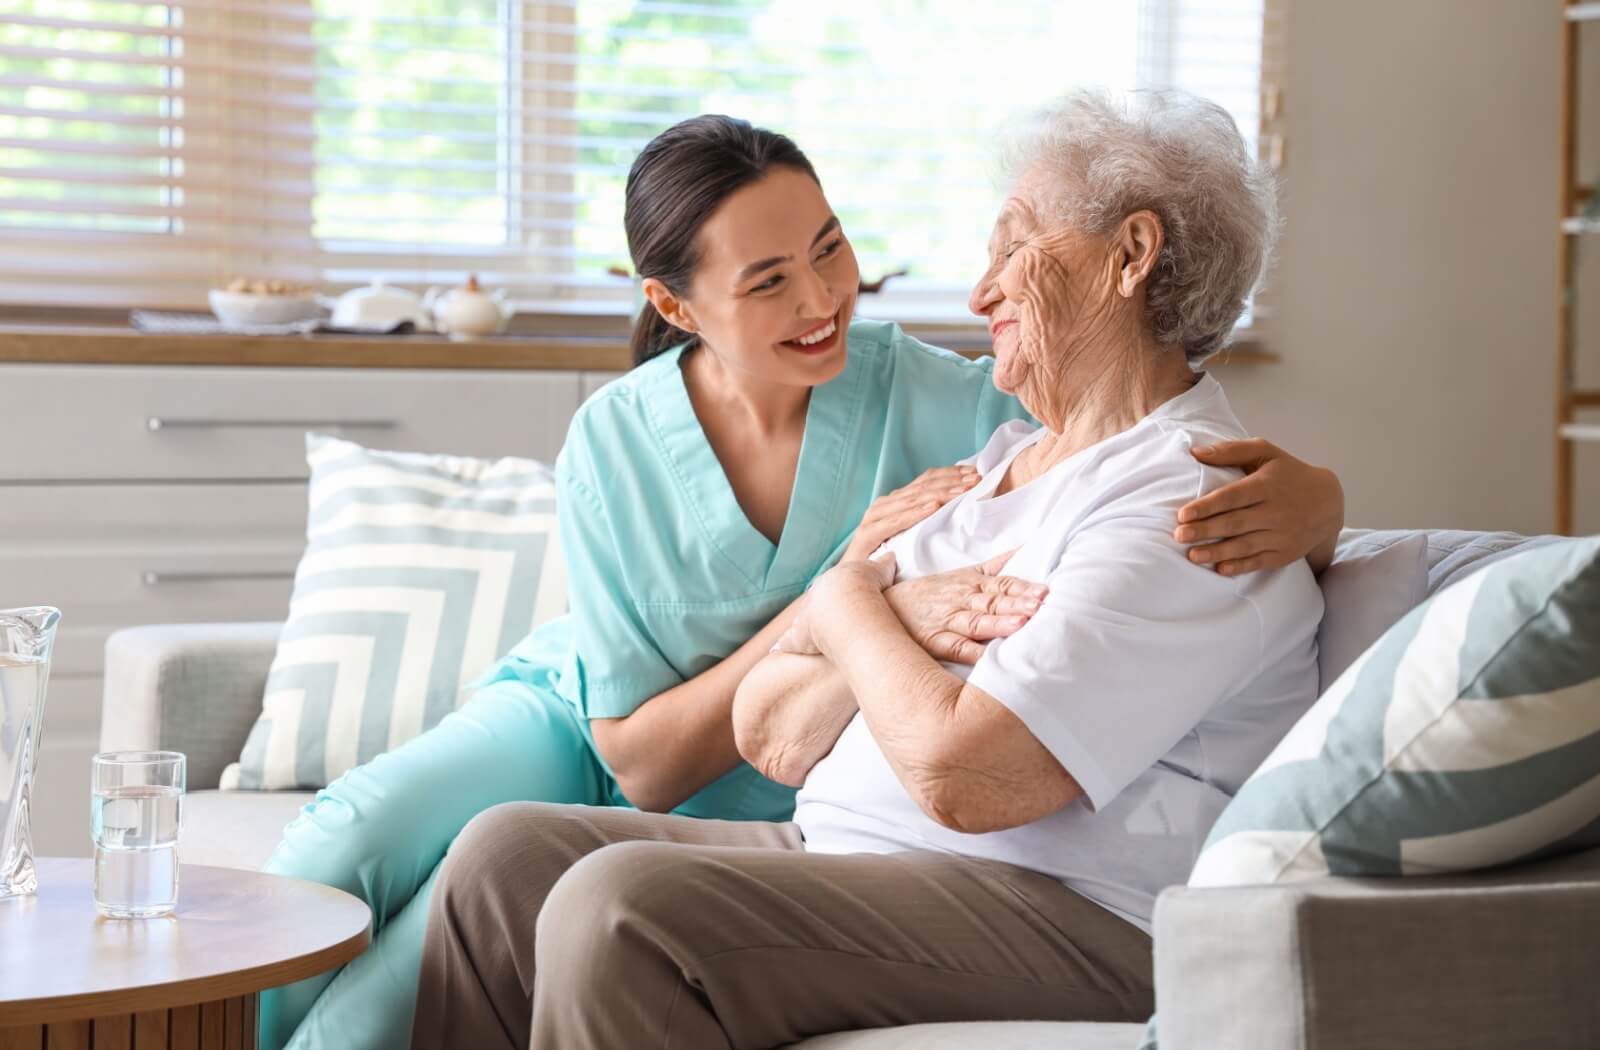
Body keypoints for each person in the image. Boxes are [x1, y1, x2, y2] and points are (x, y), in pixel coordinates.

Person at [263, 111, 1343, 1050]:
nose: (975, 289)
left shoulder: (1167, 495)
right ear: (679, 307)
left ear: (1130, 255)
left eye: (1012, 246)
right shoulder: (1004, 465)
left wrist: (844, 605)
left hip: (1061, 897)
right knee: (493, 850)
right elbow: (772, 732)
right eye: (768, 279)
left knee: (618, 903)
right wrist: (870, 614)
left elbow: (961, 775)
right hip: (636, 728)